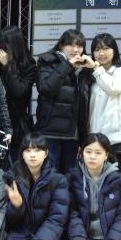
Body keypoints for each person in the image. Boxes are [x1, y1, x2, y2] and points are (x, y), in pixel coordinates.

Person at [34, 29, 95, 173]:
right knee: (50, 176)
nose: (76, 49)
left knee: (70, 177)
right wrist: (67, 65)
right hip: (50, 132)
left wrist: (92, 68)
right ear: (61, 45)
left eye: (79, 46)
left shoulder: (84, 68)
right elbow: (45, 88)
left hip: (74, 134)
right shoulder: (48, 61)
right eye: (71, 45)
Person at [0, 26, 37, 151]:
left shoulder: (29, 66)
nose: (1, 53)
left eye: (4, 48)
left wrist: (8, 66)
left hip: (17, 124)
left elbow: (18, 91)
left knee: (17, 158)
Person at [88, 34, 121, 152]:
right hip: (94, 138)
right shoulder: (92, 75)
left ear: (114, 51)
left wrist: (96, 67)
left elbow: (112, 88)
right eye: (97, 50)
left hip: (117, 138)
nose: (101, 53)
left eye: (106, 48)